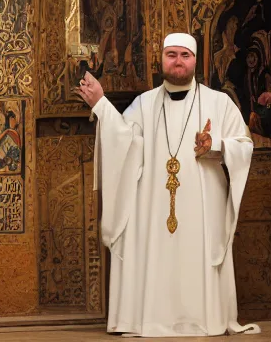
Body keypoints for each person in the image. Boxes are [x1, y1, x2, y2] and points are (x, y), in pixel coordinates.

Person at [76, 33, 260, 338]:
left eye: (185, 55)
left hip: (203, 207)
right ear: (161, 58)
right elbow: (122, 141)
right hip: (154, 207)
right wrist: (102, 105)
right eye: (171, 54)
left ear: (195, 61)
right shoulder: (143, 104)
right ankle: (152, 318)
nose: (177, 61)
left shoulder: (220, 102)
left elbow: (244, 145)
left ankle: (201, 318)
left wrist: (215, 146)